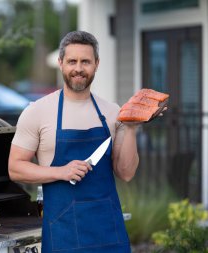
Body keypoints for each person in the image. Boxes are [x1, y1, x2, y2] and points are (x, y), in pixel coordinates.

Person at [8, 31, 138, 253]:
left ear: (96, 64)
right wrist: (61, 172)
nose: (78, 68)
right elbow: (15, 168)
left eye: (85, 61)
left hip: (109, 231)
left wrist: (132, 128)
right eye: (72, 61)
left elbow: (125, 173)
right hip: (63, 234)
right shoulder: (37, 112)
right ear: (60, 63)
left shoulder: (112, 112)